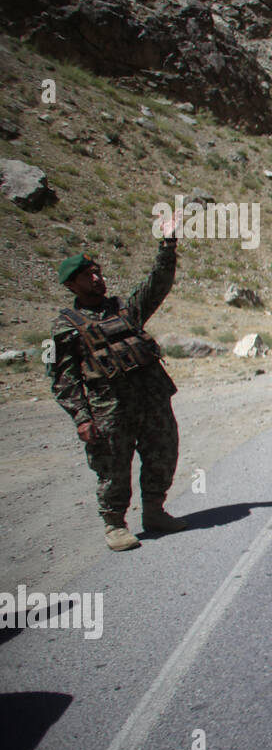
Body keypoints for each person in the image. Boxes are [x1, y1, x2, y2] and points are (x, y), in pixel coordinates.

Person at [50, 228, 188, 552]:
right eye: (88, 276)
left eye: (97, 271)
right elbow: (63, 379)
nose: (97, 279)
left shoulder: (126, 309)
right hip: (110, 410)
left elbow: (158, 283)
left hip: (152, 402)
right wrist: (82, 418)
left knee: (163, 455)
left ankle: (154, 511)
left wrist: (167, 245)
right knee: (113, 468)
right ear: (72, 285)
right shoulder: (66, 327)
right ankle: (114, 524)